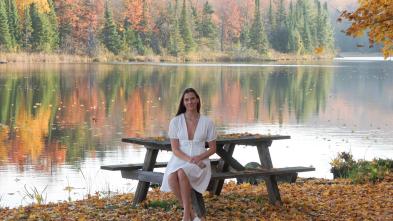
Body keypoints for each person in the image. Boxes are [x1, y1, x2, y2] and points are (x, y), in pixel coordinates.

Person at [161, 88, 217, 221]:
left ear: (197, 100)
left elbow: (213, 149)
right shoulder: (175, 121)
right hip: (180, 158)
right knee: (171, 177)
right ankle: (191, 213)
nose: (190, 102)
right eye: (186, 99)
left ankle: (186, 216)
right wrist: (190, 159)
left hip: (201, 161)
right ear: (183, 102)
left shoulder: (207, 122)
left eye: (192, 98)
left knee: (181, 173)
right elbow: (175, 149)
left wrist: (198, 158)